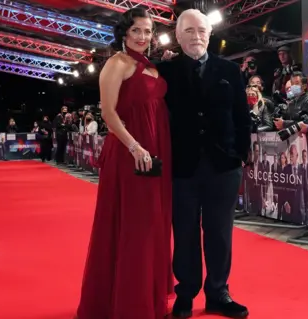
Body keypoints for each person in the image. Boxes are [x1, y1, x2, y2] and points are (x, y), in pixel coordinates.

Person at [76, 8, 172, 319]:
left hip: (157, 152)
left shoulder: (150, 65)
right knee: (134, 227)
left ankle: (148, 298)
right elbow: (108, 113)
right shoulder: (115, 64)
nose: (143, 37)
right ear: (124, 33)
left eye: (147, 31)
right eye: (137, 31)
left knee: (153, 225)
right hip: (132, 154)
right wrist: (135, 147)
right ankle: (129, 304)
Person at [157, 9, 251, 319]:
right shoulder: (165, 72)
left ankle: (218, 291)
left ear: (210, 34)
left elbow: (241, 116)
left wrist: (241, 154)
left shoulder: (230, 70)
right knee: (184, 232)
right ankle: (185, 293)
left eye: (201, 30)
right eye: (189, 30)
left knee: (220, 232)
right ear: (177, 35)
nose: (196, 35)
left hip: (224, 166)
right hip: (181, 166)